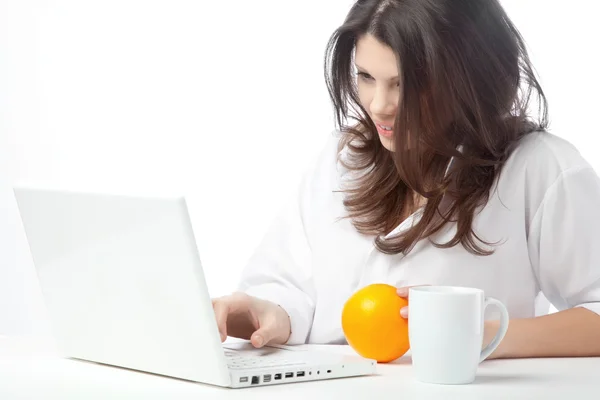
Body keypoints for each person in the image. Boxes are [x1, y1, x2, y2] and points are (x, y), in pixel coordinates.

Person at [212, 0, 600, 359]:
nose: (379, 105)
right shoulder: (341, 158)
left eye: (404, 84)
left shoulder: (540, 168)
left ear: (471, 75)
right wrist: (267, 313)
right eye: (366, 76)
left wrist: (481, 333)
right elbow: (286, 283)